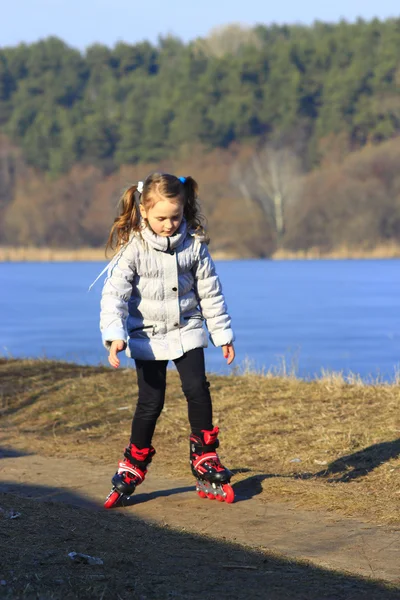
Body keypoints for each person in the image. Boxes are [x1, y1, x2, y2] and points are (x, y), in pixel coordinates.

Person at [100, 172, 235, 507]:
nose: (169, 224)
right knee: (151, 402)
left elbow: (211, 293)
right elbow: (114, 296)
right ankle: (134, 462)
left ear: (184, 210)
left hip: (187, 329)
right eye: (161, 218)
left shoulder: (194, 246)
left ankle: (205, 455)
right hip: (146, 335)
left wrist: (222, 335)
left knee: (196, 389)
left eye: (175, 217)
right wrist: (115, 335)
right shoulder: (134, 249)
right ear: (144, 212)